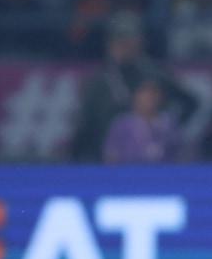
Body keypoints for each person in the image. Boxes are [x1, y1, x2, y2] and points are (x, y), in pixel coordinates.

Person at [70, 11, 199, 161]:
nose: (122, 46)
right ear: (109, 44)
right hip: (109, 161)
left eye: (128, 41)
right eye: (118, 41)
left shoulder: (154, 73)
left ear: (140, 42)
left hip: (153, 160)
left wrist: (168, 128)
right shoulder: (98, 82)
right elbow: (83, 127)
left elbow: (191, 102)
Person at [103, 77, 184, 163]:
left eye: (154, 91)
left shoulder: (170, 123)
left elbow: (181, 154)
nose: (150, 95)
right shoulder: (122, 124)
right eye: (145, 90)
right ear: (135, 95)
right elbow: (111, 156)